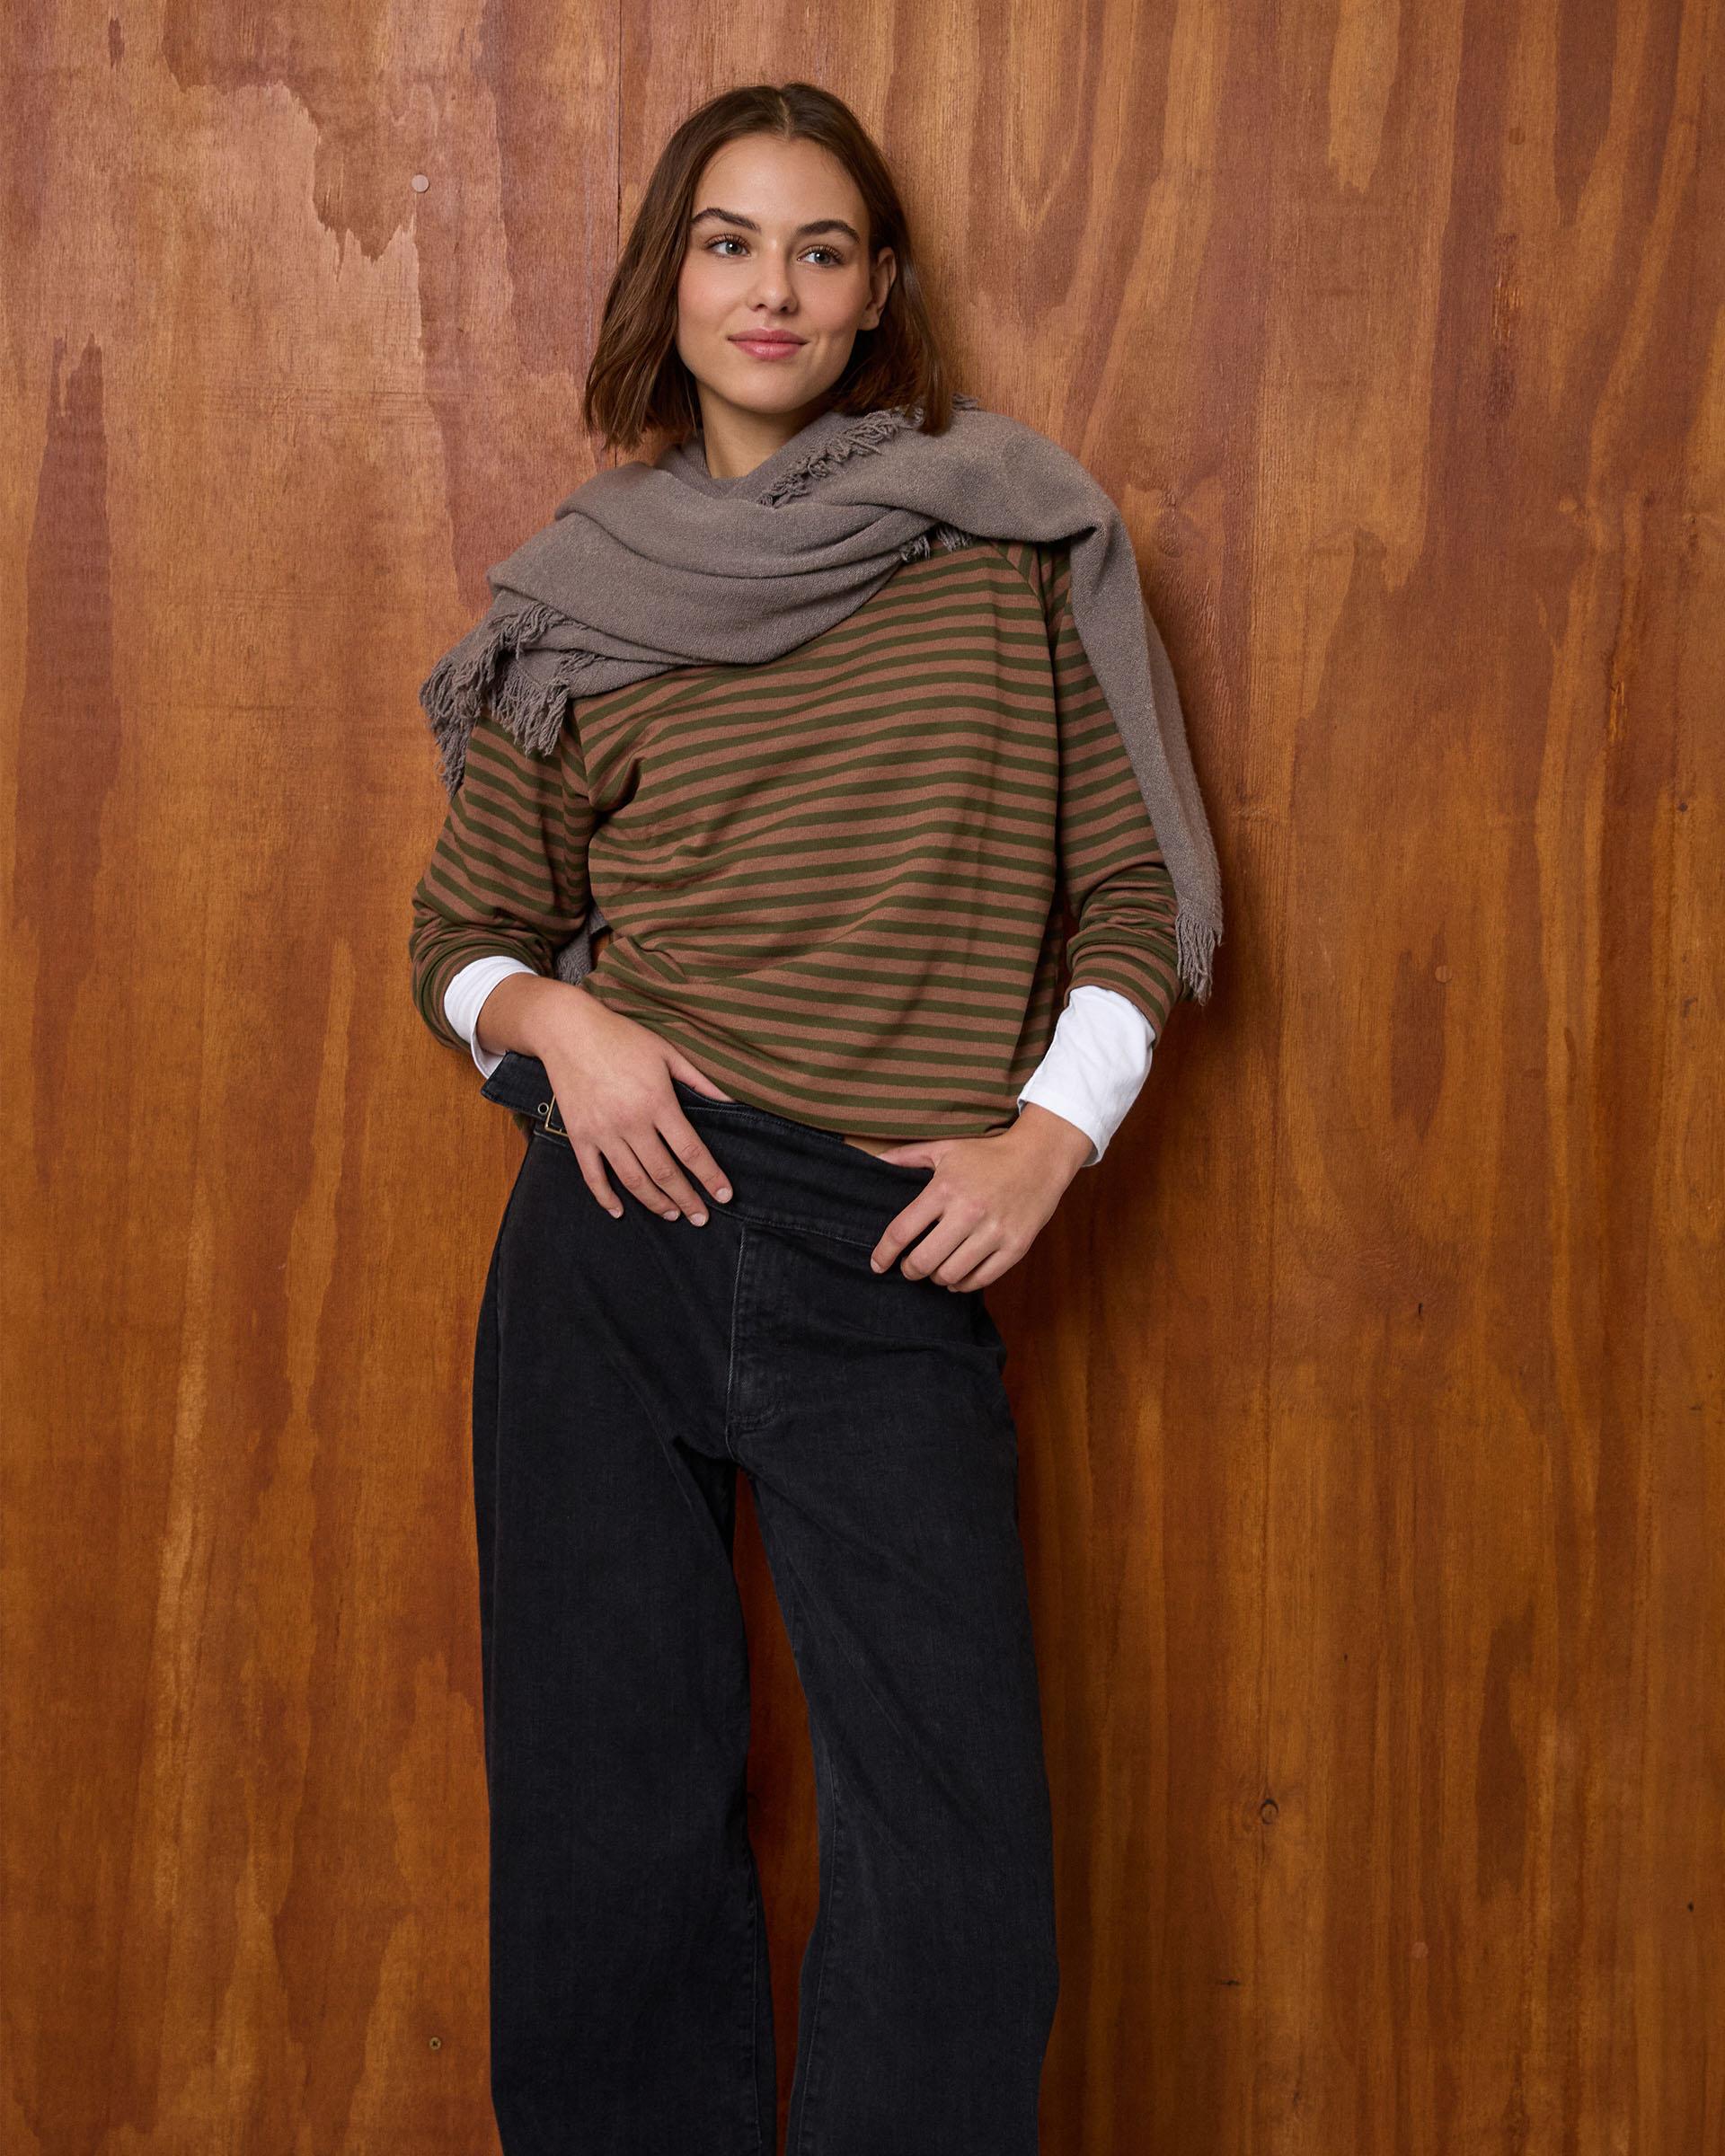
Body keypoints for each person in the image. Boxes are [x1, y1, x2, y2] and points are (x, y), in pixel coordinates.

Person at [408, 81, 1219, 2156]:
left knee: (959, 1873)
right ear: (669, 284)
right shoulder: (580, 596)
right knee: (608, 1831)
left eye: (821, 249)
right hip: (622, 1232)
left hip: (887, 1246)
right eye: (729, 243)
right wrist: (562, 1033)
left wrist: (1050, 1140)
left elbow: (1133, 897)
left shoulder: (999, 542)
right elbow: (463, 937)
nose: (772, 289)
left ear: (876, 296)